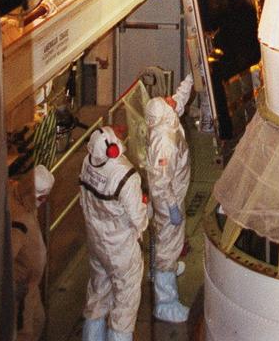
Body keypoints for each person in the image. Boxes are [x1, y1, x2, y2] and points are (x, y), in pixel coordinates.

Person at [79, 126, 148, 341]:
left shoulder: (88, 162)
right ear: (112, 148)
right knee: (125, 304)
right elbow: (139, 219)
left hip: (96, 242)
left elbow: (84, 201)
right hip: (121, 249)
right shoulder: (125, 174)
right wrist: (145, 214)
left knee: (98, 295)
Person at [145, 73, 195, 322]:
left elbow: (180, 98)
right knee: (168, 243)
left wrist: (194, 75)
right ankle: (165, 302)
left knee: (162, 239)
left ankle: (161, 270)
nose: (170, 99)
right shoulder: (164, 142)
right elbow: (160, 183)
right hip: (167, 199)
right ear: (165, 112)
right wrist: (173, 208)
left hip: (172, 192)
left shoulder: (167, 119)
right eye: (167, 101)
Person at [9, 164, 55, 341]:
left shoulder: (21, 196)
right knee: (25, 332)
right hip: (21, 289)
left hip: (30, 286)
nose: (43, 202)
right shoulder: (19, 222)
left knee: (38, 321)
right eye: (42, 198)